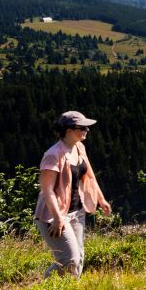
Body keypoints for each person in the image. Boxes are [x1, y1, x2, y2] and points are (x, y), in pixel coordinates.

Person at [34, 111, 112, 278]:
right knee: (69, 259)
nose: (86, 130)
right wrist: (57, 218)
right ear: (68, 130)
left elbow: (89, 175)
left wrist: (101, 199)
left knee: (79, 258)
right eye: (82, 127)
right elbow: (47, 189)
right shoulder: (53, 155)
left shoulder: (79, 147)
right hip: (53, 215)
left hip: (77, 211)